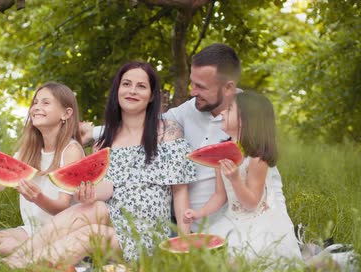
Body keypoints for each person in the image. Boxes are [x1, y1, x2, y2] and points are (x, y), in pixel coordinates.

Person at [1, 61, 196, 269]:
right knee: (90, 208)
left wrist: (184, 245)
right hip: (111, 218)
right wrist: (87, 193)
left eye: (141, 86)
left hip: (146, 234)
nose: (132, 90)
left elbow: (180, 193)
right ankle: (12, 263)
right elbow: (108, 188)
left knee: (89, 233)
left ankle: (20, 270)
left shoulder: (168, 132)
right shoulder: (104, 141)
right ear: (117, 90)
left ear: (152, 95)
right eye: (126, 84)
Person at [82, 43, 288, 233]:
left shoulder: (250, 118)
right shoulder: (186, 111)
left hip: (231, 223)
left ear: (228, 88)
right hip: (184, 222)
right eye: (192, 83)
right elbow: (143, 125)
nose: (192, 91)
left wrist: (276, 226)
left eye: (201, 87)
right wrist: (94, 133)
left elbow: (266, 184)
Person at [183, 91, 301, 264]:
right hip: (232, 219)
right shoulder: (222, 151)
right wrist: (198, 213)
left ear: (245, 119)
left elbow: (252, 203)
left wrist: (236, 180)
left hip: (258, 223)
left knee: (246, 261)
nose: (222, 112)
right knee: (209, 259)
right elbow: (220, 196)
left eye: (229, 109)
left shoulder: (256, 159)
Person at [0, 82, 85, 256]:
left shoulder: (71, 151)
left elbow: (63, 207)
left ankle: (43, 253)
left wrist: (37, 198)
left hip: (59, 231)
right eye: (35, 102)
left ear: (66, 113)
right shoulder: (28, 151)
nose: (37, 107)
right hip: (32, 229)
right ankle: (35, 253)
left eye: (46, 103)